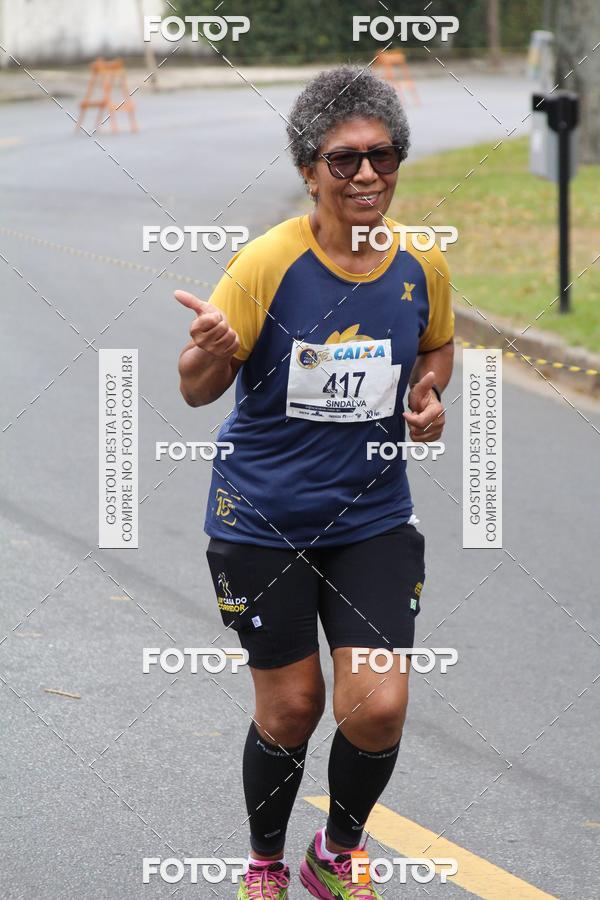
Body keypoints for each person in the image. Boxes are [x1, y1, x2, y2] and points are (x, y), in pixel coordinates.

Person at [176, 65, 454, 900]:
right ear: (309, 171)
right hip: (263, 519)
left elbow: (436, 345)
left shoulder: (421, 262)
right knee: (293, 707)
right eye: (344, 160)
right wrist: (216, 346)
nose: (367, 174)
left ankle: (335, 852)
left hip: (372, 516)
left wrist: (429, 392)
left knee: (377, 705)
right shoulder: (267, 264)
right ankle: (265, 863)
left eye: (383, 156)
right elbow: (194, 387)